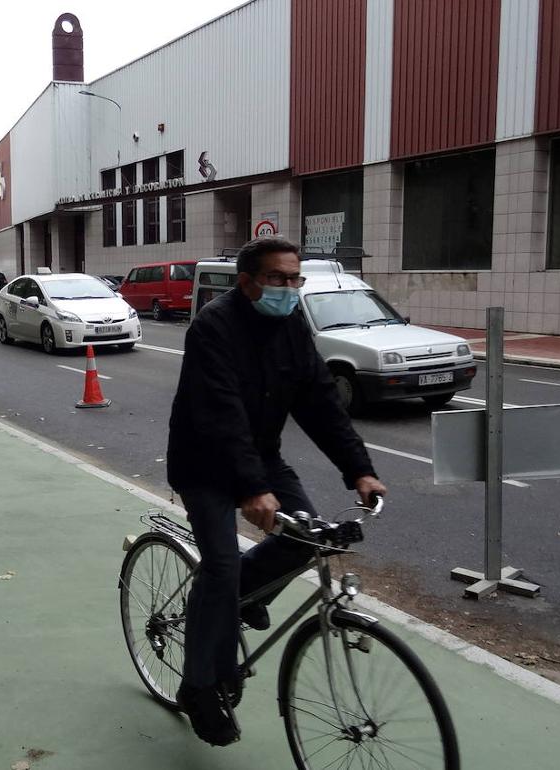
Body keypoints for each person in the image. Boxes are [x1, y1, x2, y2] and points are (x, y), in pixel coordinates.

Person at [166, 236, 387, 746]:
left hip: (261, 459)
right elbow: (221, 414)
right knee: (221, 568)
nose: (289, 289)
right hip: (204, 465)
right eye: (278, 279)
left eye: (295, 279)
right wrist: (251, 489)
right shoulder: (212, 328)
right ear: (247, 282)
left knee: (307, 539)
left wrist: (359, 469)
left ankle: (237, 600)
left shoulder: (290, 326)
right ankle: (199, 686)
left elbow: (320, 402)